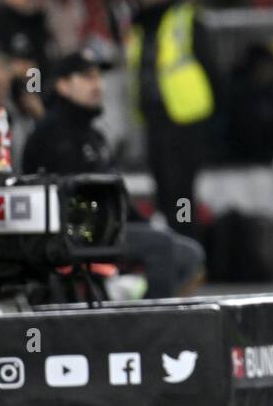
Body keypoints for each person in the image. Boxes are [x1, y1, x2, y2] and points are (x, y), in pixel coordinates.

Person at [22, 50, 205, 299]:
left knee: (190, 253)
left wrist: (145, 223)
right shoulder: (49, 134)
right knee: (160, 246)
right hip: (73, 233)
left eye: (98, 77)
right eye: (87, 77)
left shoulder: (94, 136)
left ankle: (141, 312)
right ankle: (154, 325)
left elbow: (115, 192)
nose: (97, 85)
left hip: (106, 230)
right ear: (63, 86)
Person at [125, 0, 216, 239]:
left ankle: (188, 245)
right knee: (163, 186)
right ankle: (174, 244)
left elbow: (209, 66)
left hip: (184, 115)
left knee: (181, 188)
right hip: (154, 116)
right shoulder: (139, 29)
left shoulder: (184, 19)